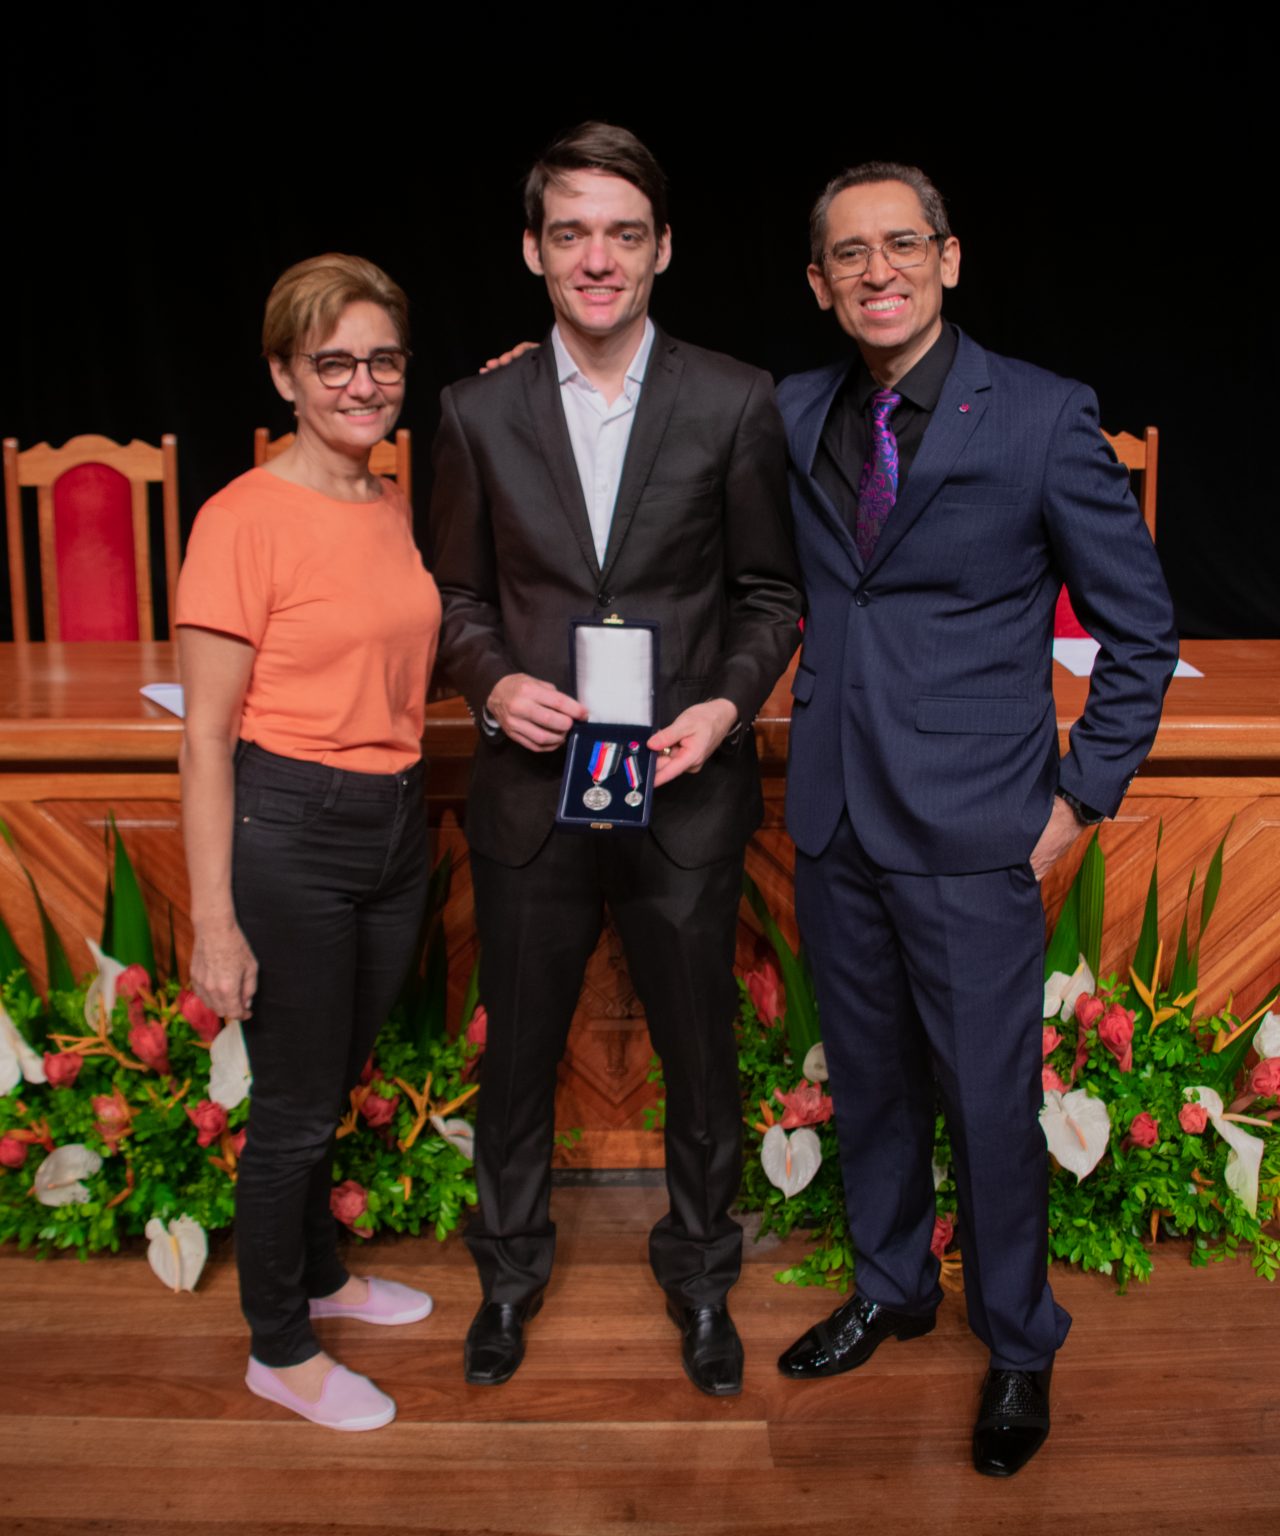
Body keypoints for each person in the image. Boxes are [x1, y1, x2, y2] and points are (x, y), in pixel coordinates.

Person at [774, 163, 1177, 1475]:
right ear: (820, 283)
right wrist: (538, 380)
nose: (877, 270)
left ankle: (1016, 1341)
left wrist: (1079, 798)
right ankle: (893, 1288)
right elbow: (661, 434)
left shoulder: (1042, 416)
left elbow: (1139, 630)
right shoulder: (792, 413)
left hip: (975, 824)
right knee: (870, 1080)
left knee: (988, 1103)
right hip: (833, 817)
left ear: (947, 259)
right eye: (849, 253)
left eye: (902, 244)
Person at [430, 122, 803, 1396]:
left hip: (682, 790)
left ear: (661, 251)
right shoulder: (474, 411)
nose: (598, 257)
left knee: (700, 1056)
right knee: (516, 1057)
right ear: (533, 250)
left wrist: (727, 708)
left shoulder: (733, 398)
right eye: (572, 232)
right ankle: (507, 1275)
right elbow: (455, 598)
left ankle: (700, 1277)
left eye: (623, 234)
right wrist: (492, 683)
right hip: (531, 795)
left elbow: (768, 595)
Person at [177, 254, 440, 1432]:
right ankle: (278, 1348)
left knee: (332, 1079)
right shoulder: (240, 518)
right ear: (284, 374)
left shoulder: (386, 503)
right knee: (291, 1105)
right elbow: (204, 740)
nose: (361, 383)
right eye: (332, 363)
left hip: (393, 823)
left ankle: (323, 1276)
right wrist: (215, 921)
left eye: (381, 360)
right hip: (290, 829)